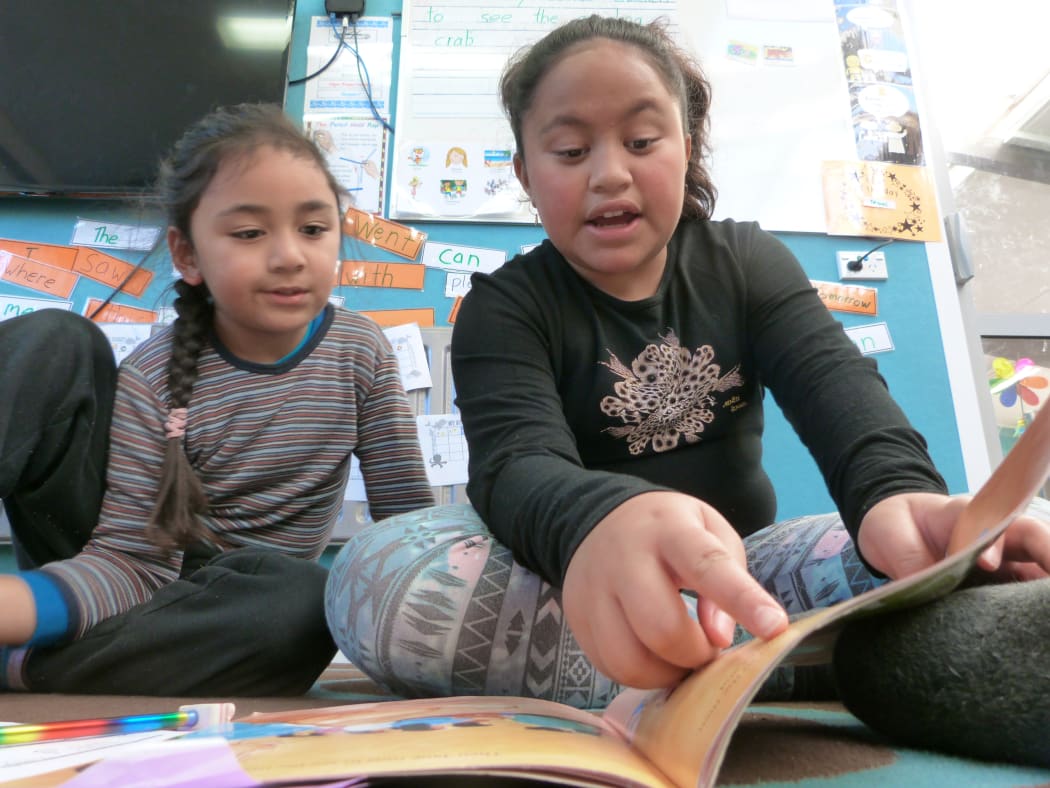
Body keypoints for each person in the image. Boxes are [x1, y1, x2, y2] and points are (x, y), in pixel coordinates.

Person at [324, 16, 1050, 709]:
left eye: (642, 140)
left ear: (689, 142)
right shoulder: (504, 306)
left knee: (981, 540)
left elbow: (840, 391)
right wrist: (606, 523)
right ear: (524, 173)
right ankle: (786, 662)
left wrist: (895, 494)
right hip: (570, 578)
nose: (610, 174)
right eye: (571, 152)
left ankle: (721, 659)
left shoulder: (748, 263)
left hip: (744, 571)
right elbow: (515, 467)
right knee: (371, 579)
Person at [0, 103, 435, 696]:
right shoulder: (153, 374)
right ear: (187, 255)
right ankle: (42, 644)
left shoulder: (359, 353)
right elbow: (129, 563)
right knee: (54, 340)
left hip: (220, 622)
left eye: (313, 228)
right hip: (112, 571)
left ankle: (27, 668)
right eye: (249, 233)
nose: (289, 256)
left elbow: (410, 529)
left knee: (307, 600)